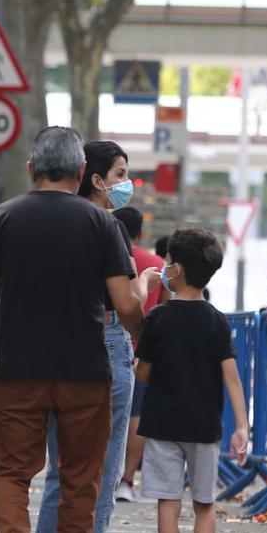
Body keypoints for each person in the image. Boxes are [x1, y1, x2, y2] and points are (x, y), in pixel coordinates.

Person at [0, 127, 144, 533]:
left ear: (31, 169)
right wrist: (146, 347)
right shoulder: (102, 223)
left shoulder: (3, 217)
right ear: (83, 171)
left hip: (19, 371)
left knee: (12, 472)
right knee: (80, 480)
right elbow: (125, 306)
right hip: (84, 374)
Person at [30, 141, 155, 533]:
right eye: (120, 174)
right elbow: (124, 304)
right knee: (101, 470)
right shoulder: (107, 225)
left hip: (51, 347)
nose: (127, 184)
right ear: (95, 178)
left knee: (61, 469)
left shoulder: (43, 220)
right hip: (103, 343)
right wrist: (145, 333)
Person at [136, 228, 249, 533]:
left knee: (167, 503)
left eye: (168, 262)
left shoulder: (158, 319)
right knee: (204, 502)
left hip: (162, 425)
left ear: (177, 270)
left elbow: (142, 373)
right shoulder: (216, 320)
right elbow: (231, 377)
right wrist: (241, 426)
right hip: (204, 425)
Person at [111, 206, 164, 504]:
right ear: (140, 233)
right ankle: (127, 479)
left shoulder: (106, 253)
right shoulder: (156, 264)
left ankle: (103, 473)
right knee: (136, 417)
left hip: (110, 342)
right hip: (141, 348)